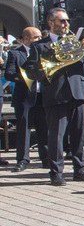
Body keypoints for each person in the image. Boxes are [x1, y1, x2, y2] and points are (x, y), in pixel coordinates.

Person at [26, 8, 84, 186]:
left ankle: (80, 170)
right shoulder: (39, 46)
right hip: (55, 95)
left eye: (66, 21)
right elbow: (30, 71)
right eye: (62, 21)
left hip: (78, 92)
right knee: (56, 137)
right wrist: (49, 69)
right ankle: (56, 172)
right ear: (51, 23)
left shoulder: (77, 42)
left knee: (78, 135)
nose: (66, 24)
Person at [3, 26, 46, 173]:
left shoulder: (44, 52)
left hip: (42, 96)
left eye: (40, 37)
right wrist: (25, 77)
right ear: (26, 39)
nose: (39, 40)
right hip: (25, 97)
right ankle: (22, 159)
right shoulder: (15, 54)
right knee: (24, 130)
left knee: (44, 129)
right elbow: (8, 74)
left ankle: (46, 158)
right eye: (36, 38)